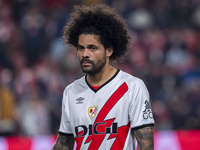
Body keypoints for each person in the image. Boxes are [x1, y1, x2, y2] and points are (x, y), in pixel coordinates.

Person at [52, 4, 154, 150]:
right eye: (81, 48)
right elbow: (64, 143)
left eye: (92, 48)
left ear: (109, 51)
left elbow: (146, 144)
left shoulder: (132, 87)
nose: (85, 54)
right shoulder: (71, 92)